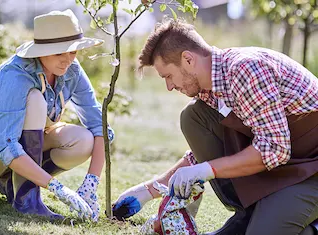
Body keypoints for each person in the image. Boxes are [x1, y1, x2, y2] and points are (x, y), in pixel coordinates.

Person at [112, 17, 318, 235]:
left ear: (188, 60)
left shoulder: (246, 70)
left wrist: (204, 171)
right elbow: (208, 151)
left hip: (311, 168)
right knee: (193, 116)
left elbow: (275, 149)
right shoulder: (211, 87)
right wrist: (148, 190)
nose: (169, 86)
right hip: (285, 164)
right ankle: (251, 211)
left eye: (169, 76)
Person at [0, 9, 114, 222]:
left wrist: (91, 183)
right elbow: (6, 145)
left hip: (10, 148)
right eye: (59, 53)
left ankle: (12, 184)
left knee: (83, 140)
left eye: (73, 52)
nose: (67, 60)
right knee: (35, 99)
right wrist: (57, 188)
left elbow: (98, 126)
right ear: (41, 51)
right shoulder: (17, 73)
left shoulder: (71, 70)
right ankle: (27, 198)